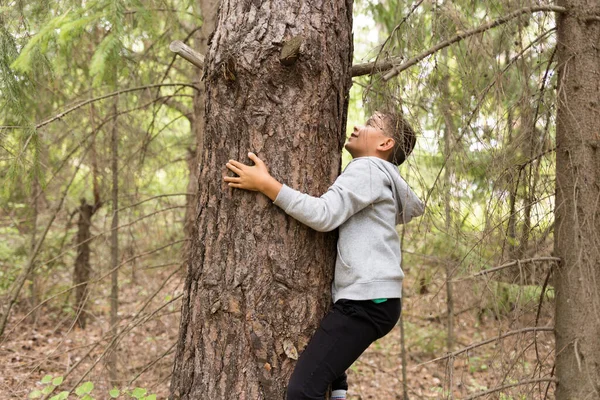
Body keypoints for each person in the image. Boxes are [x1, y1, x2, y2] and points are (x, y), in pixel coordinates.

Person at [224, 110, 425, 400]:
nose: (358, 126)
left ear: (385, 144)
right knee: (331, 377)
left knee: (303, 392)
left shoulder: (367, 169)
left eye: (371, 124)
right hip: (374, 301)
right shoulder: (378, 178)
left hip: (367, 301)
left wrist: (266, 184)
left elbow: (323, 214)